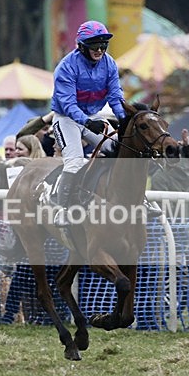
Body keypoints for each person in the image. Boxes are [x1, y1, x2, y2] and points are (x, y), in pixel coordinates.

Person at [49, 20, 126, 225]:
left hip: (92, 115)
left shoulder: (110, 64)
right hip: (66, 118)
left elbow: (115, 96)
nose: (99, 50)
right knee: (74, 161)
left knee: (121, 151)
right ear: (82, 46)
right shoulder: (66, 67)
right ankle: (62, 209)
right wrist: (87, 122)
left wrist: (123, 118)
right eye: (94, 45)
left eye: (103, 45)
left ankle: (139, 200)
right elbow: (67, 104)